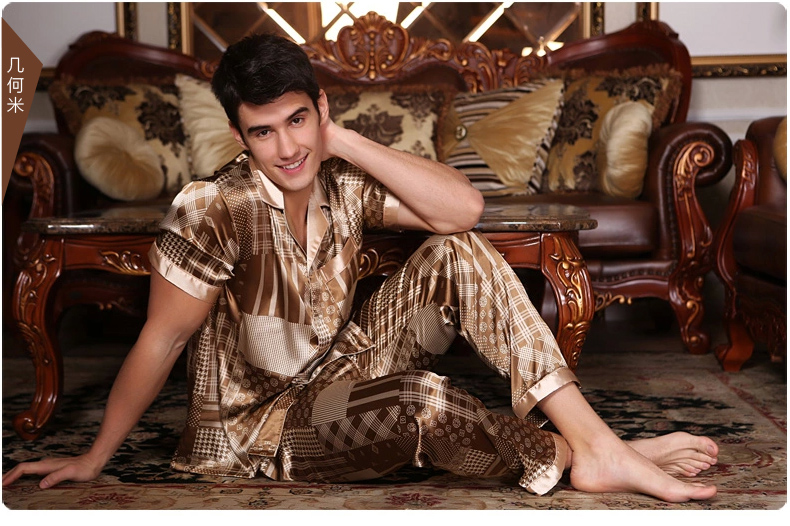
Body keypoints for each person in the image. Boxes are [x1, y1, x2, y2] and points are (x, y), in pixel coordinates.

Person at [3, 33, 720, 502]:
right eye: (263, 131)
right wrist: (95, 457)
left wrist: (340, 139)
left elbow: (463, 210)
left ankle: (598, 446)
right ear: (238, 135)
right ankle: (582, 452)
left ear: (320, 108)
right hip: (268, 432)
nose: (287, 149)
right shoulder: (213, 208)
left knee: (458, 249)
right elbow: (161, 339)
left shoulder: (337, 175)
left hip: (341, 368)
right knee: (421, 402)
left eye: (298, 120)